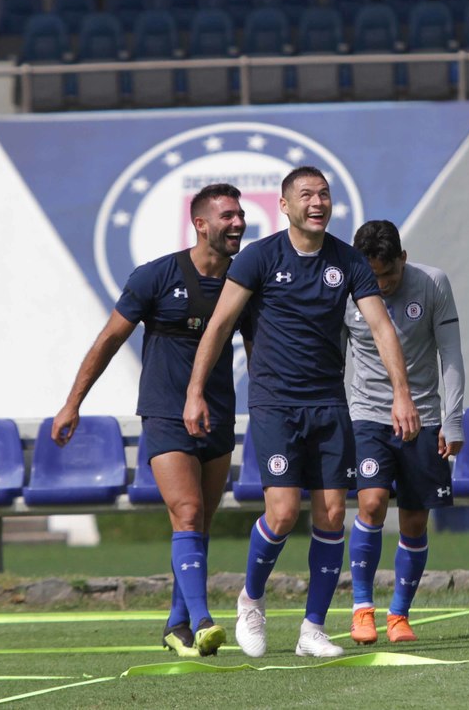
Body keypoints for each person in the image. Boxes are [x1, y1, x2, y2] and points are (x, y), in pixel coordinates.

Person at [184, 166, 420, 659]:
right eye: (306, 195)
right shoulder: (260, 257)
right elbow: (219, 325)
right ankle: (251, 601)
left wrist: (402, 394)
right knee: (284, 512)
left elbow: (381, 329)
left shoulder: (348, 261)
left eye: (324, 194)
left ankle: (313, 628)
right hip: (275, 404)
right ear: (285, 206)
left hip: (329, 403)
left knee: (332, 514)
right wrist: (195, 391)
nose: (317, 202)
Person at [52, 182, 246, 659]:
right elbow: (108, 341)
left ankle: (177, 624)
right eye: (227, 216)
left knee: (198, 525)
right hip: (164, 414)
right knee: (188, 512)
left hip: (218, 415)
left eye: (240, 215)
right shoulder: (156, 276)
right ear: (200, 224)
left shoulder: (244, 281)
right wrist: (73, 403)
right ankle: (203, 621)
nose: (238, 223)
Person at [344, 220, 464, 645]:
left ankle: (399, 615)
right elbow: (335, 357)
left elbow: (451, 354)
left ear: (404, 259)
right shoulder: (347, 291)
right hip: (368, 415)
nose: (382, 284)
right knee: (372, 503)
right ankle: (362, 609)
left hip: (423, 418)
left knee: (414, 519)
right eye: (372, 276)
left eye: (389, 274)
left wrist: (453, 418)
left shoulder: (432, 284)